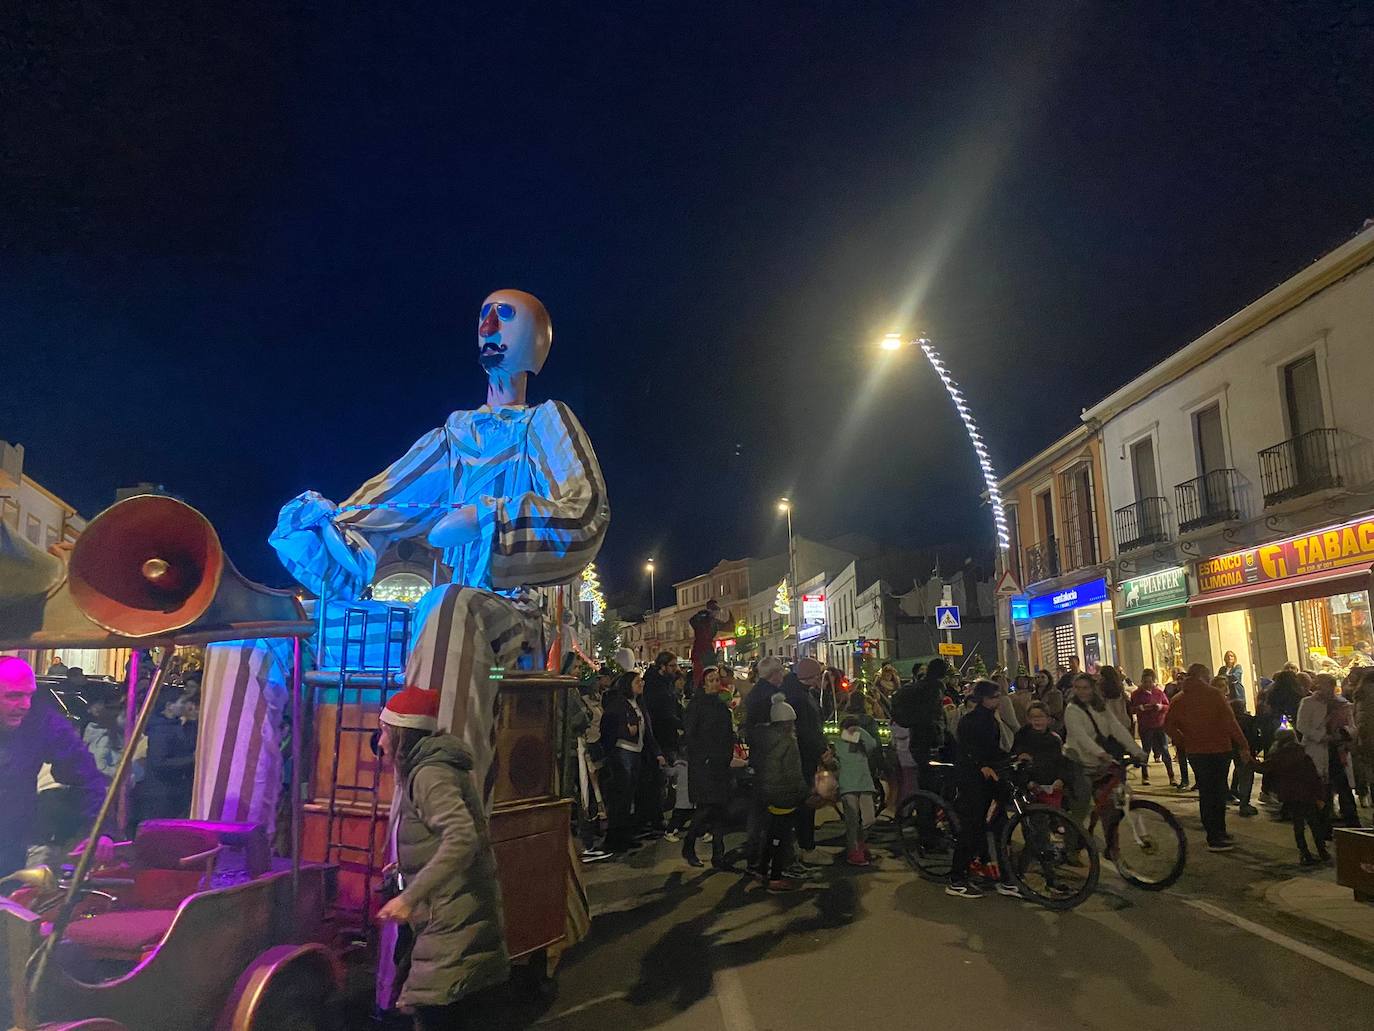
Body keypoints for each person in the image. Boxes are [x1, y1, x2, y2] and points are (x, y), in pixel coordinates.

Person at [374, 686, 507, 1029]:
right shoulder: (427, 769)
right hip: (447, 913)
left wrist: (409, 897)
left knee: (437, 1013)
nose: (380, 742)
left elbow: (462, 838)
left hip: (450, 918)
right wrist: (405, 866)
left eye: (385, 731)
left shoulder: (430, 774)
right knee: (435, 1007)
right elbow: (437, 833)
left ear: (401, 735)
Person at [0, 657, 111, 875]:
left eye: (29, 695)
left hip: (11, 844)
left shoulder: (39, 719)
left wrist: (99, 829)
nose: (25, 705)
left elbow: (84, 773)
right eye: (13, 696)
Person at [1165, 663, 1252, 851]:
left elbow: (1168, 725)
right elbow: (1230, 722)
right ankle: (1217, 834)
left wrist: (1183, 741)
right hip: (1219, 748)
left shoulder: (1179, 699)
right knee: (1219, 791)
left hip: (1196, 751)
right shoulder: (1214, 695)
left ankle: (1214, 832)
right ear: (1204, 676)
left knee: (1206, 792)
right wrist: (1243, 744)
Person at [947, 680, 1015, 899]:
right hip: (973, 780)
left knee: (1000, 825)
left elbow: (992, 749)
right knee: (973, 827)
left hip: (989, 778)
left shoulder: (991, 720)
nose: (998, 700)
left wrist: (1013, 758)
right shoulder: (970, 721)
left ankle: (1004, 877)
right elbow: (967, 749)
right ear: (984, 699)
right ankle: (956, 879)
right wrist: (981, 765)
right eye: (994, 697)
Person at [1063, 674, 1145, 828]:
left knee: (1110, 808)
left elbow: (1117, 728)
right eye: (1077, 688)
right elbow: (1081, 737)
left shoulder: (1101, 707)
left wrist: (1136, 750)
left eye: (1085, 688)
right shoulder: (1072, 710)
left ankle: (1111, 840)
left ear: (1093, 689)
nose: (1081, 692)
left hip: (1101, 762)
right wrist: (1100, 753)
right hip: (1079, 760)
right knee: (1081, 805)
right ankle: (1073, 838)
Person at [750, 691, 810, 893]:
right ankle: (776, 876)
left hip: (767, 790)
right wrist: (804, 793)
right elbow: (793, 773)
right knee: (782, 836)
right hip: (785, 793)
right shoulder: (788, 742)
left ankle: (761, 870)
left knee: (770, 833)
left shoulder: (763, 738)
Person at [599, 670, 662, 851]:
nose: (641, 684)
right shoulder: (618, 705)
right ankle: (616, 838)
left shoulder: (639, 704)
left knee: (629, 796)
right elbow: (608, 728)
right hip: (623, 751)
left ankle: (625, 835)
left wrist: (657, 752)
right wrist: (624, 732)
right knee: (621, 796)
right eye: (637, 681)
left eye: (641, 681)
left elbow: (647, 730)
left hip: (636, 752)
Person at [681, 666, 737, 870]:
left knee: (720, 810)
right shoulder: (697, 706)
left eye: (717, 680)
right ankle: (689, 845)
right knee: (705, 808)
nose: (715, 684)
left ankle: (718, 854)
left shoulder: (721, 705)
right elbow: (691, 735)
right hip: (704, 765)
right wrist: (703, 757)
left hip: (720, 764)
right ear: (703, 684)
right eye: (711, 680)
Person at [1252, 728, 1329, 865]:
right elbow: (1314, 778)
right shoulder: (1303, 755)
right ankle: (1322, 851)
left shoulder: (1278, 757)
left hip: (1291, 796)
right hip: (1308, 795)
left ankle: (1304, 853)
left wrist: (1249, 760)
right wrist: (1320, 796)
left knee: (1298, 826)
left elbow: (1262, 768)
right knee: (1314, 824)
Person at [891, 658, 950, 796]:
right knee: (931, 779)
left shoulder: (919, 687)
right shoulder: (932, 689)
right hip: (929, 739)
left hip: (918, 737)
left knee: (925, 777)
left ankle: (925, 803)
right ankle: (929, 804)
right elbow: (934, 715)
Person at [834, 711, 879, 867]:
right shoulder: (838, 744)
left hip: (864, 784)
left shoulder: (862, 744)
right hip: (847, 786)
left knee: (869, 819)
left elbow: (873, 744)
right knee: (852, 821)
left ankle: (860, 844)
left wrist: (860, 731)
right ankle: (854, 851)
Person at [1012, 702, 1070, 804]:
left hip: (1051, 787)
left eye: (1040, 717)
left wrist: (1061, 779)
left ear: (1048, 719)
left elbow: (1061, 763)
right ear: (1028, 719)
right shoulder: (1022, 738)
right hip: (1029, 788)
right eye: (1033, 717)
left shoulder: (1054, 740)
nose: (1037, 720)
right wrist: (1028, 782)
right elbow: (1016, 765)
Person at [1129, 669, 1174, 786]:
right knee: (1146, 750)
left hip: (1159, 724)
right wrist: (1140, 708)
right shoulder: (1136, 694)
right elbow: (1131, 709)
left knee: (1165, 750)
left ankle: (1171, 776)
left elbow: (1167, 706)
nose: (1148, 684)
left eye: (1150, 682)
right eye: (1145, 682)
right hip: (1146, 726)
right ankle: (1145, 776)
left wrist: (1160, 707)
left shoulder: (1158, 692)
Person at [642, 651, 684, 755]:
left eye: (676, 665)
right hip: (660, 734)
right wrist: (682, 724)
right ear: (662, 666)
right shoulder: (652, 684)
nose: (675, 668)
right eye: (672, 665)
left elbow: (674, 704)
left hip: (670, 732)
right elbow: (661, 712)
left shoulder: (667, 681)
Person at [688, 600, 731, 689]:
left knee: (711, 671)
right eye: (715, 611)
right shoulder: (702, 619)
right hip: (700, 650)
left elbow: (728, 626)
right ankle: (700, 688)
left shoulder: (714, 622)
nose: (716, 613)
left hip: (708, 650)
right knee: (700, 674)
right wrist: (702, 615)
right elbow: (692, 621)